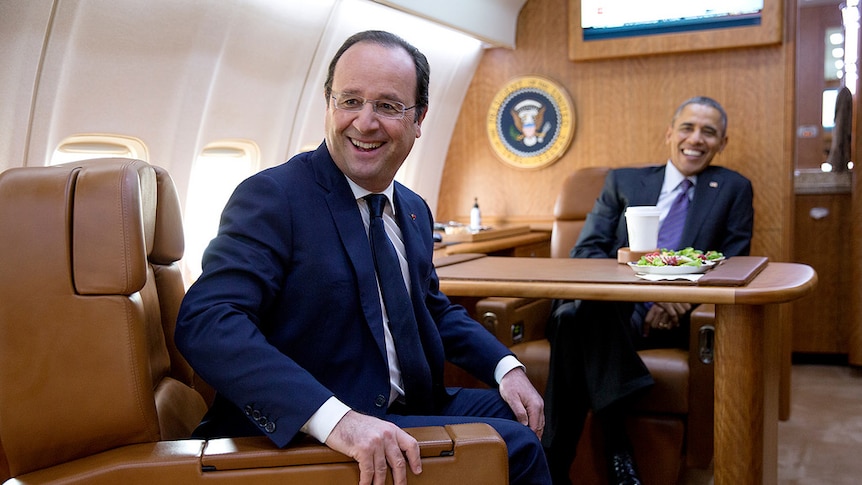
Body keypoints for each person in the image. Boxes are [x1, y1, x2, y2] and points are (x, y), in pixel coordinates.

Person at [175, 30, 551, 485]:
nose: (364, 122)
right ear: (328, 105)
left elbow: (430, 308)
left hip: (410, 406)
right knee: (517, 449)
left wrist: (505, 368)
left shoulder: (411, 208)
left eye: (388, 106)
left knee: (528, 413)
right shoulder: (275, 198)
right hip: (312, 430)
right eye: (350, 101)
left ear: (419, 119)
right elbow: (207, 320)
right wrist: (336, 420)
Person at [541, 96, 754, 485]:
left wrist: (682, 300)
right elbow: (586, 251)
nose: (696, 138)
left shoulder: (733, 189)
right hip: (612, 302)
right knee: (578, 314)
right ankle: (617, 446)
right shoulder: (624, 182)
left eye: (709, 132)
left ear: (722, 143)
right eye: (688, 127)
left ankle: (554, 463)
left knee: (572, 321)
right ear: (670, 133)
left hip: (669, 316)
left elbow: (734, 261)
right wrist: (638, 284)